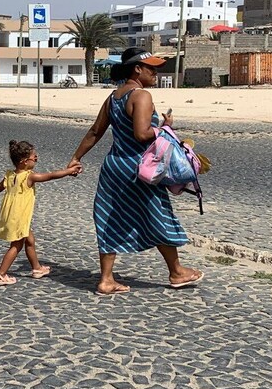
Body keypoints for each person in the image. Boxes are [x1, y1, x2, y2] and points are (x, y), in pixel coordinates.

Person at [68, 48, 204, 295]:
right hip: (139, 169)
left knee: (109, 217)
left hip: (114, 166)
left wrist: (76, 157)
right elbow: (141, 134)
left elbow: (95, 132)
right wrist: (164, 128)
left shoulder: (113, 97)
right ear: (137, 69)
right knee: (158, 214)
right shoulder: (141, 96)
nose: (156, 72)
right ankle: (176, 271)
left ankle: (106, 279)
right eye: (151, 68)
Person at [0, 140, 81, 286]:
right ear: (23, 161)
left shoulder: (9, 175)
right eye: (33, 157)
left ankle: (36, 268)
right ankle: (0, 274)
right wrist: (68, 171)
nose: (36, 158)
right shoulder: (29, 176)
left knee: (30, 240)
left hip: (11, 215)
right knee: (16, 245)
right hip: (19, 217)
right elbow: (51, 176)